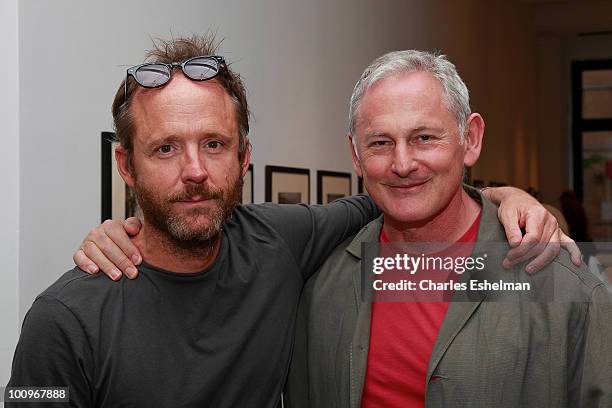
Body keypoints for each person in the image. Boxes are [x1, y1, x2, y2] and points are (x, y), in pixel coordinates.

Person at [8, 35, 578, 407]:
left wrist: (509, 197)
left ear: (245, 156)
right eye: (165, 150)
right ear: (124, 164)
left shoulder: (279, 241)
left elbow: (404, 191)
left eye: (214, 144)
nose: (195, 171)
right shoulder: (63, 321)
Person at [284, 50, 612, 408]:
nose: (403, 164)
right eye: (380, 143)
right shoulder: (320, 286)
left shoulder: (565, 286)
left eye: (424, 138)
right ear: (356, 154)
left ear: (470, 138)